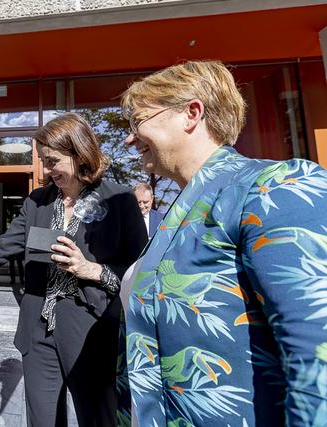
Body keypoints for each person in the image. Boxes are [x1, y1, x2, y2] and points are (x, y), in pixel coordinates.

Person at [119, 60, 327, 426]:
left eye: (137, 122)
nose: (129, 138)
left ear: (191, 113)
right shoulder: (180, 210)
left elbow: (317, 358)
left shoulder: (272, 188)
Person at [0, 113, 146, 426]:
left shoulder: (119, 200)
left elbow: (140, 272)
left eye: (51, 161)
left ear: (80, 155)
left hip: (90, 331)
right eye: (41, 160)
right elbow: (4, 245)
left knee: (97, 419)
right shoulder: (37, 201)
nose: (44, 170)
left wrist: (91, 269)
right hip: (38, 331)